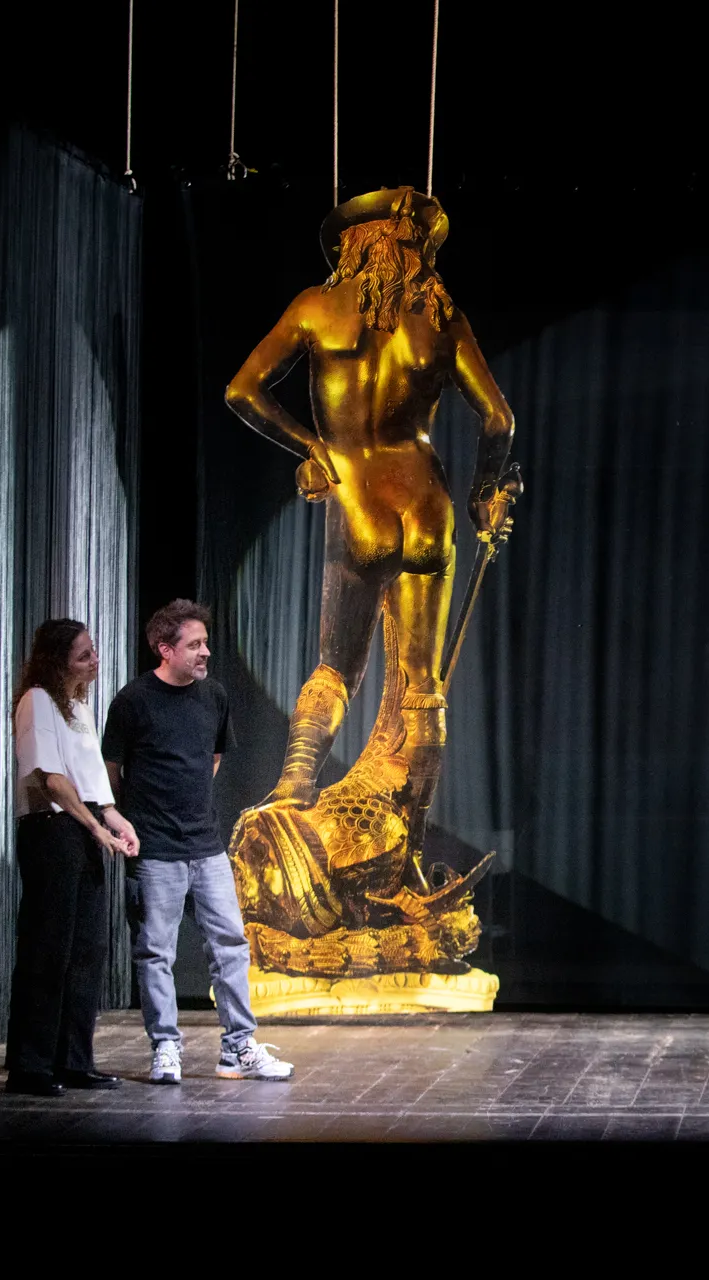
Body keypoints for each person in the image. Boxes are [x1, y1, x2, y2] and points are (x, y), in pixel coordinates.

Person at [224, 186, 516, 883]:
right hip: (427, 498)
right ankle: (405, 853)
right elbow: (498, 421)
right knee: (424, 688)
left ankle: (296, 788)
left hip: (357, 495)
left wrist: (311, 449)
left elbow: (242, 392)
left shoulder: (318, 307)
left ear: (352, 245)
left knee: (337, 669)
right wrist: (483, 495)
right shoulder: (439, 320)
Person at [102, 599, 293, 1085]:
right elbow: (112, 774)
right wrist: (142, 818)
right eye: (195, 644)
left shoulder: (215, 697)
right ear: (165, 650)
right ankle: (166, 1047)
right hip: (156, 849)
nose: (205, 652)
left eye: (205, 642)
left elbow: (211, 759)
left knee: (230, 945)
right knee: (156, 951)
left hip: (207, 846)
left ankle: (238, 1048)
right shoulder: (132, 702)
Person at [6, 619, 139, 1097]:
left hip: (82, 830)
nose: (94, 660)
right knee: (48, 950)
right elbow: (53, 780)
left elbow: (93, 787)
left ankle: (73, 1061)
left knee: (86, 951)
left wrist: (115, 822)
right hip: (51, 832)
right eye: (83, 655)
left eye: (93, 651)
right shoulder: (38, 701)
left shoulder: (79, 707)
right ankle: (30, 1065)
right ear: (57, 660)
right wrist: (94, 828)